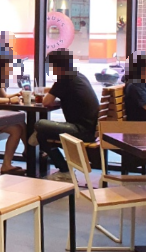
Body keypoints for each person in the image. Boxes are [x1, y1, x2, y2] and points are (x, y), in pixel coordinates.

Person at [35, 49, 100, 181]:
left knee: (39, 125)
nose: (51, 69)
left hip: (81, 130)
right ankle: (64, 170)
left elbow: (46, 102)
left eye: (51, 66)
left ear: (57, 66)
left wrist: (42, 92)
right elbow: (61, 91)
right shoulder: (77, 76)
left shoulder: (64, 79)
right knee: (41, 134)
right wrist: (48, 90)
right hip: (91, 128)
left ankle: (65, 171)